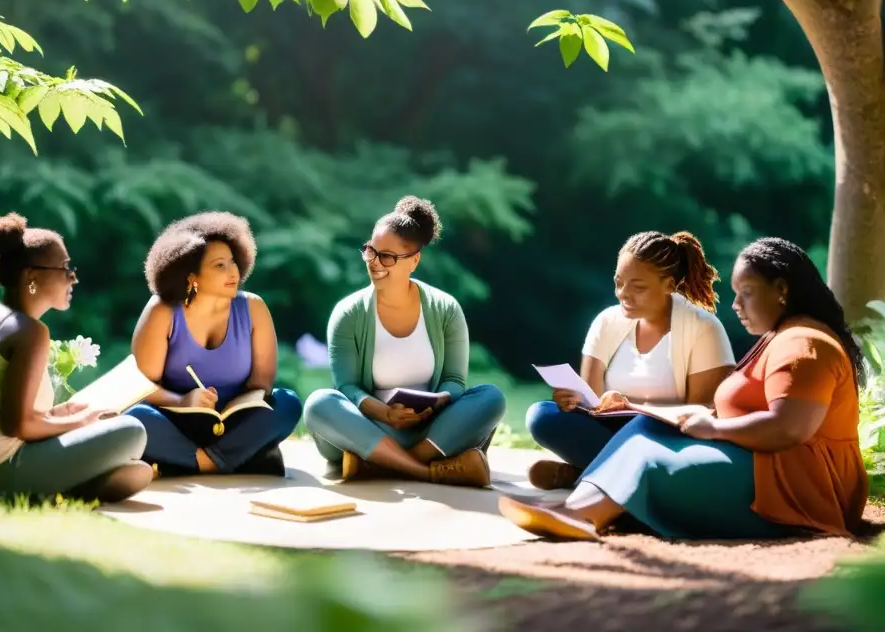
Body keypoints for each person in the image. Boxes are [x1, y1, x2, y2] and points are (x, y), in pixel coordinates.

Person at [500, 237, 869, 541]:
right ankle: (579, 507)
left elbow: (788, 428)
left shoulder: (804, 345)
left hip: (795, 488)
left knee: (648, 458)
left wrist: (712, 427)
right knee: (643, 429)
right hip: (760, 463)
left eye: (747, 293)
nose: (736, 305)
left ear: (782, 291)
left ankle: (582, 512)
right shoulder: (784, 337)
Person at [0, 213, 151, 506]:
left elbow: (7, 414)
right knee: (132, 431)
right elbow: (18, 427)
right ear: (32, 277)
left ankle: (64, 490)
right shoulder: (28, 331)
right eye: (64, 268)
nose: (73, 276)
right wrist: (82, 421)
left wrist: (61, 413)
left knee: (136, 472)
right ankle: (62, 490)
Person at [303, 196, 506, 487]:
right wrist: (384, 412)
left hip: (432, 427)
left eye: (387, 256)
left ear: (414, 260)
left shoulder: (445, 309)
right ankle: (427, 469)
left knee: (491, 397)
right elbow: (347, 387)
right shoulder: (348, 313)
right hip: (370, 428)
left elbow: (453, 380)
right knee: (319, 403)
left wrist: (433, 407)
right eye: (371, 251)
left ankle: (380, 465)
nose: (374, 263)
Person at [525, 231, 735, 489]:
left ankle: (587, 473)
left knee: (643, 431)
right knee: (542, 416)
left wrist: (632, 407)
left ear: (669, 285)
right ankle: (611, 477)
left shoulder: (704, 329)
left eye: (638, 287)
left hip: (667, 442)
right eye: (619, 282)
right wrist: (573, 402)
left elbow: (704, 416)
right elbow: (591, 404)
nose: (623, 294)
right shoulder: (606, 322)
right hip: (611, 435)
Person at [127, 212, 301, 477]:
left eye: (233, 262)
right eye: (220, 265)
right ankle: (240, 458)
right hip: (176, 420)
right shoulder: (162, 310)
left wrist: (232, 408)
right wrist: (184, 400)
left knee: (288, 402)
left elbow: (262, 384)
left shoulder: (254, 308)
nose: (233, 271)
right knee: (135, 418)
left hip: (235, 424)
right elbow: (140, 388)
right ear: (191, 276)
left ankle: (190, 461)